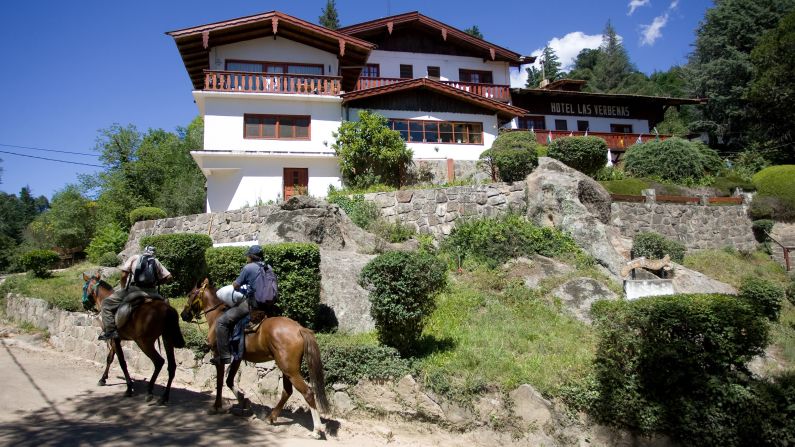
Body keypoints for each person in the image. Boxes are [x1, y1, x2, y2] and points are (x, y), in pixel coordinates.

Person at [98, 246, 172, 341]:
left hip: (135, 290)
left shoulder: (135, 258)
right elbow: (169, 277)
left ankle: (111, 331)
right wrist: (157, 283)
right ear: (154, 253)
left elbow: (124, 275)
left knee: (106, 303)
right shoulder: (156, 261)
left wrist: (123, 288)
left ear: (143, 251)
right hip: (153, 292)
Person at [212, 244, 266, 365]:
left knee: (221, 322)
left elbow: (236, 285)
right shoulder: (268, 267)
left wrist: (239, 286)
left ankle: (224, 356)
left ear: (251, 257)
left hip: (253, 304)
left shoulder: (249, 267)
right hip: (268, 304)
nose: (247, 258)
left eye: (248, 256)